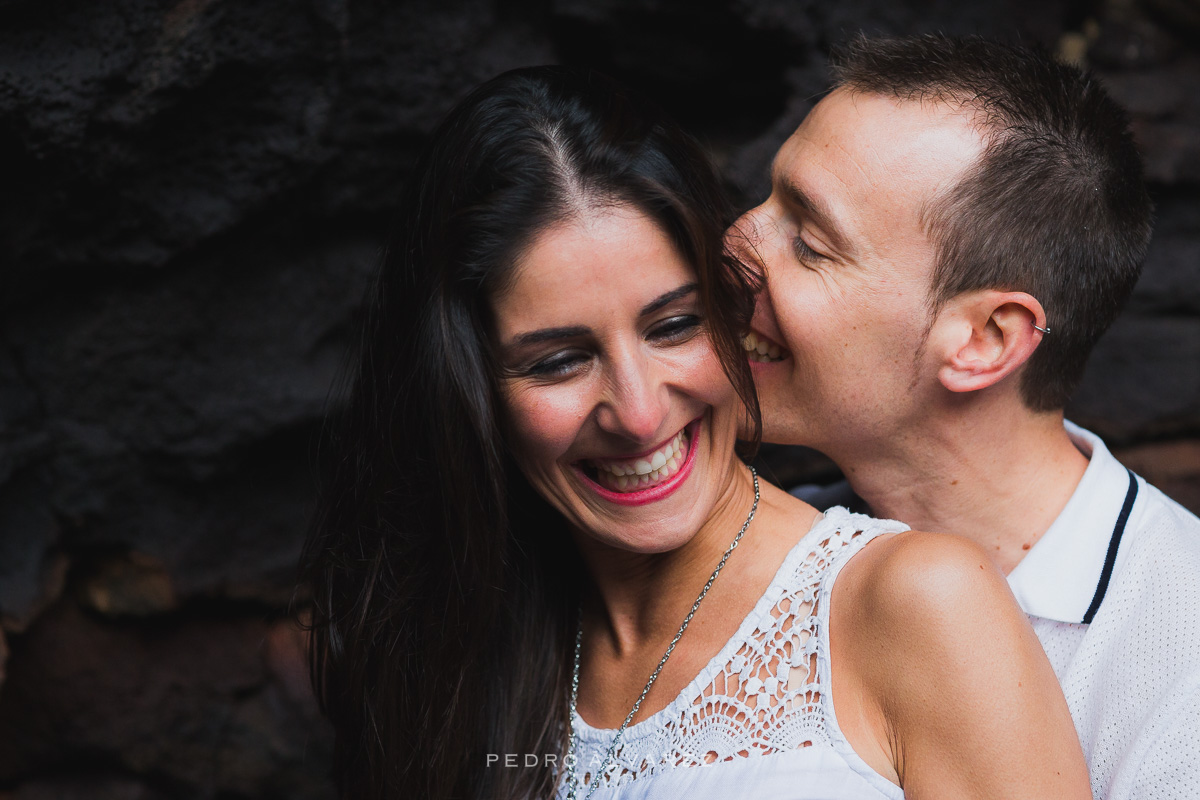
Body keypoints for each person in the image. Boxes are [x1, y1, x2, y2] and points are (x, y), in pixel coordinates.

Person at [301, 65, 1090, 800]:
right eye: (559, 362)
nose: (640, 413)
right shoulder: (452, 652)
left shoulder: (917, 602)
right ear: (468, 388)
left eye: (674, 326)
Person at [732, 33, 1200, 799]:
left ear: (984, 342)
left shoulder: (1181, 673)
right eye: (764, 199)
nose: (734, 245)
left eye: (810, 244)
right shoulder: (772, 549)